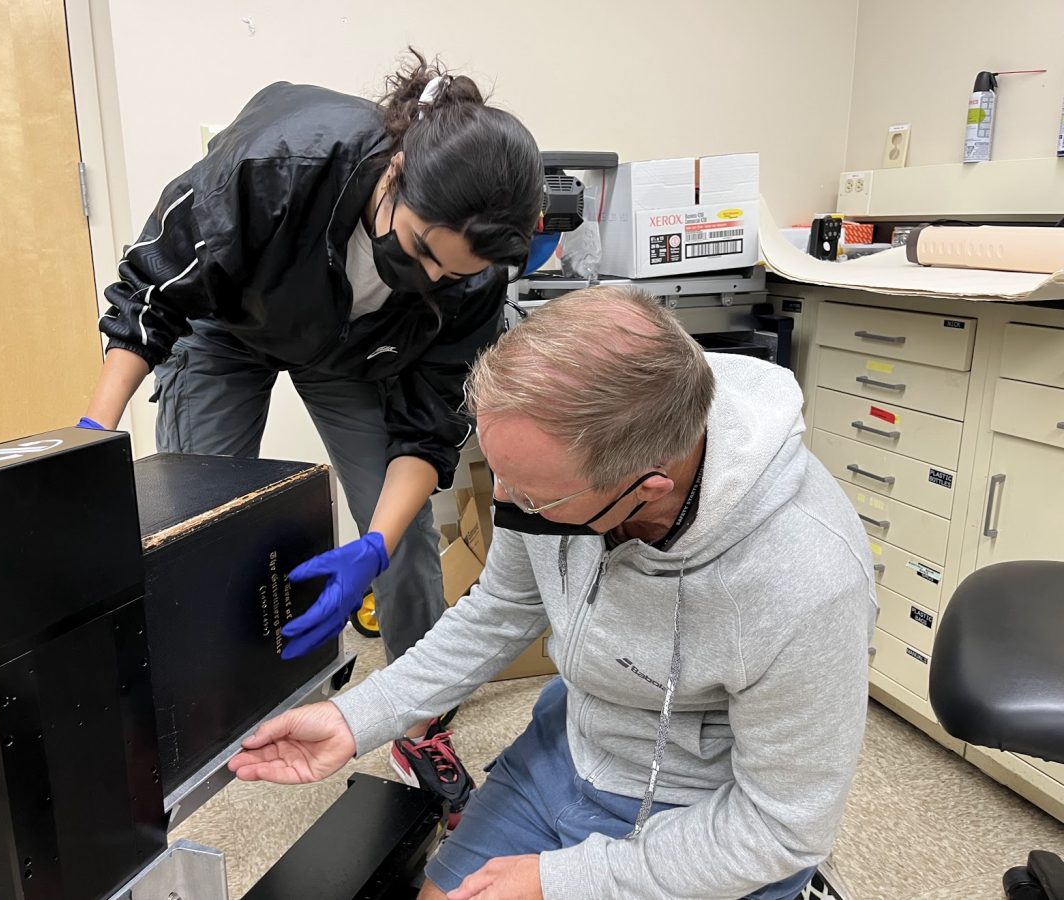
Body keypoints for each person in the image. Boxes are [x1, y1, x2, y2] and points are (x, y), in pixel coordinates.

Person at [227, 285, 878, 900]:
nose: (506, 503)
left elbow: (780, 826)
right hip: (569, 747)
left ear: (645, 487)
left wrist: (565, 879)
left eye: (533, 495)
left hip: (703, 812)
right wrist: (356, 718)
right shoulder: (546, 470)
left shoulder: (808, 578)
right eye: (500, 476)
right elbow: (495, 614)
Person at [78, 50, 543, 814]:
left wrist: (373, 546)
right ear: (395, 173)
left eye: (450, 275)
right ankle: (174, 715)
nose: (429, 278)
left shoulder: (474, 279)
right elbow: (150, 295)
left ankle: (414, 711)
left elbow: (427, 432)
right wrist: (95, 432)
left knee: (404, 534)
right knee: (189, 526)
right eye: (423, 248)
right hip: (225, 324)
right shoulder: (277, 167)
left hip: (352, 350)